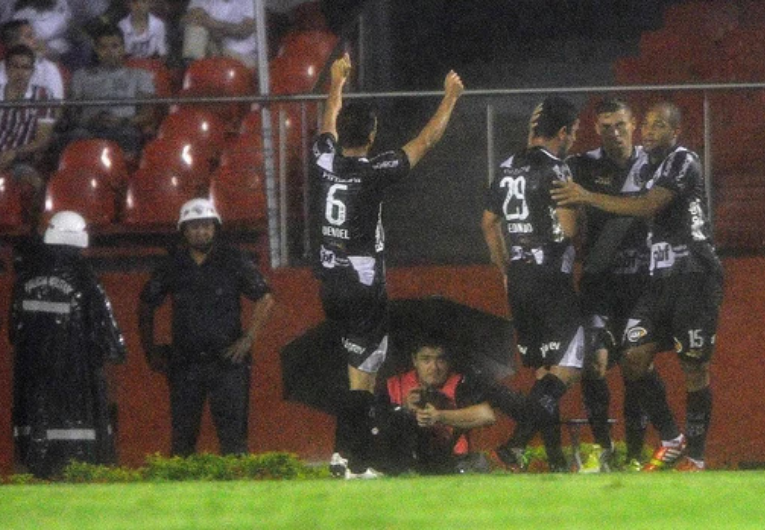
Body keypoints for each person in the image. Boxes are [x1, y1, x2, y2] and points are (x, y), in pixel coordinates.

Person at [312, 53, 463, 479]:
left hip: (329, 279)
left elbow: (326, 122)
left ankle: (346, 456)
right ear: (374, 135)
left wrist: (336, 84)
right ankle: (350, 461)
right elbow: (425, 142)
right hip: (362, 284)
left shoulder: (323, 161)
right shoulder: (374, 171)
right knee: (363, 377)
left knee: (355, 371)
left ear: (341, 133)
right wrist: (450, 97)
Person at [552, 101, 724, 472]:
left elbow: (648, 205)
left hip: (694, 272)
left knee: (694, 368)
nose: (649, 131)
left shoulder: (683, 160)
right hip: (657, 279)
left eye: (659, 125)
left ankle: (695, 456)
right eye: (647, 124)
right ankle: (671, 438)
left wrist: (586, 196)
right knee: (632, 355)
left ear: (675, 132)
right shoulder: (645, 165)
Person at [481, 96, 584, 472]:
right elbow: (568, 230)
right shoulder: (559, 171)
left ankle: (556, 462)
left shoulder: (507, 167)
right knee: (570, 365)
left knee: (543, 372)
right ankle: (514, 443)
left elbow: (489, 224)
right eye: (573, 133)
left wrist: (505, 268)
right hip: (550, 276)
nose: (573, 140)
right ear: (561, 133)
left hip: (519, 276)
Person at [138, 198, 275, 457]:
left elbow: (265, 297)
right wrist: (150, 351)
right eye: (194, 226)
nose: (201, 231)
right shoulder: (172, 264)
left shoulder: (233, 259)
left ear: (215, 228)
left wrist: (247, 340)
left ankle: (237, 493)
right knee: (182, 440)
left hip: (227, 361)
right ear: (184, 231)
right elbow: (145, 305)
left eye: (206, 226)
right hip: (185, 363)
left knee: (234, 440)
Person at [566, 97, 654, 471]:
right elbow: (545, 169)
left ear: (633, 123)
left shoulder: (654, 164)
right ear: (596, 129)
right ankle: (604, 448)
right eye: (606, 127)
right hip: (599, 283)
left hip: (642, 286)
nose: (614, 133)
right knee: (594, 366)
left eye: (620, 124)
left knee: (637, 365)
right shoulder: (582, 166)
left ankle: (635, 451)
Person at [9, 210, 127, 478]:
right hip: (78, 375)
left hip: (33, 374)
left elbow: (14, 330)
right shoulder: (85, 278)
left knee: (38, 436)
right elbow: (106, 327)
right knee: (77, 441)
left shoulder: (25, 278)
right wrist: (116, 348)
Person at [372, 338, 496, 475]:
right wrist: (405, 409)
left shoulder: (461, 384)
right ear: (414, 360)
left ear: (449, 361)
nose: (434, 368)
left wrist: (439, 416)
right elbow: (377, 423)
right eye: (426, 360)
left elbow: (487, 415)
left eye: (441, 360)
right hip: (404, 458)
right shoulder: (393, 385)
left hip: (452, 457)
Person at [63, 23, 155, 161]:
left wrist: (123, 121)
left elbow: (148, 114)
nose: (110, 52)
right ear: (96, 49)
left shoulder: (140, 76)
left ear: (123, 48)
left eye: (115, 46)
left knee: (128, 135)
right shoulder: (80, 76)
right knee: (75, 136)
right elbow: (72, 113)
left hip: (124, 127)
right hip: (89, 128)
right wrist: (89, 121)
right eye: (103, 47)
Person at [0, 43, 57, 215]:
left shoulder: (42, 96)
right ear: (6, 68)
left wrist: (14, 153)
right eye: (15, 66)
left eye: (25, 67)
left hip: (20, 160)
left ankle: (31, 232)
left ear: (32, 71)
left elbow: (42, 139)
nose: (19, 72)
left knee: (35, 184)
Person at [0, 19, 65, 101]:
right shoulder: (1, 68)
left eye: (34, 36)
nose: (35, 41)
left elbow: (57, 107)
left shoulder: (48, 69)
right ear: (12, 42)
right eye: (29, 36)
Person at [181, 0, 257, 67]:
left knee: (199, 25)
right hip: (213, 49)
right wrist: (224, 29)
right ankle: (194, 68)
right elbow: (190, 17)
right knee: (195, 28)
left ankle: (197, 70)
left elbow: (244, 31)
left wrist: (212, 23)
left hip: (241, 56)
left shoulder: (251, 1)